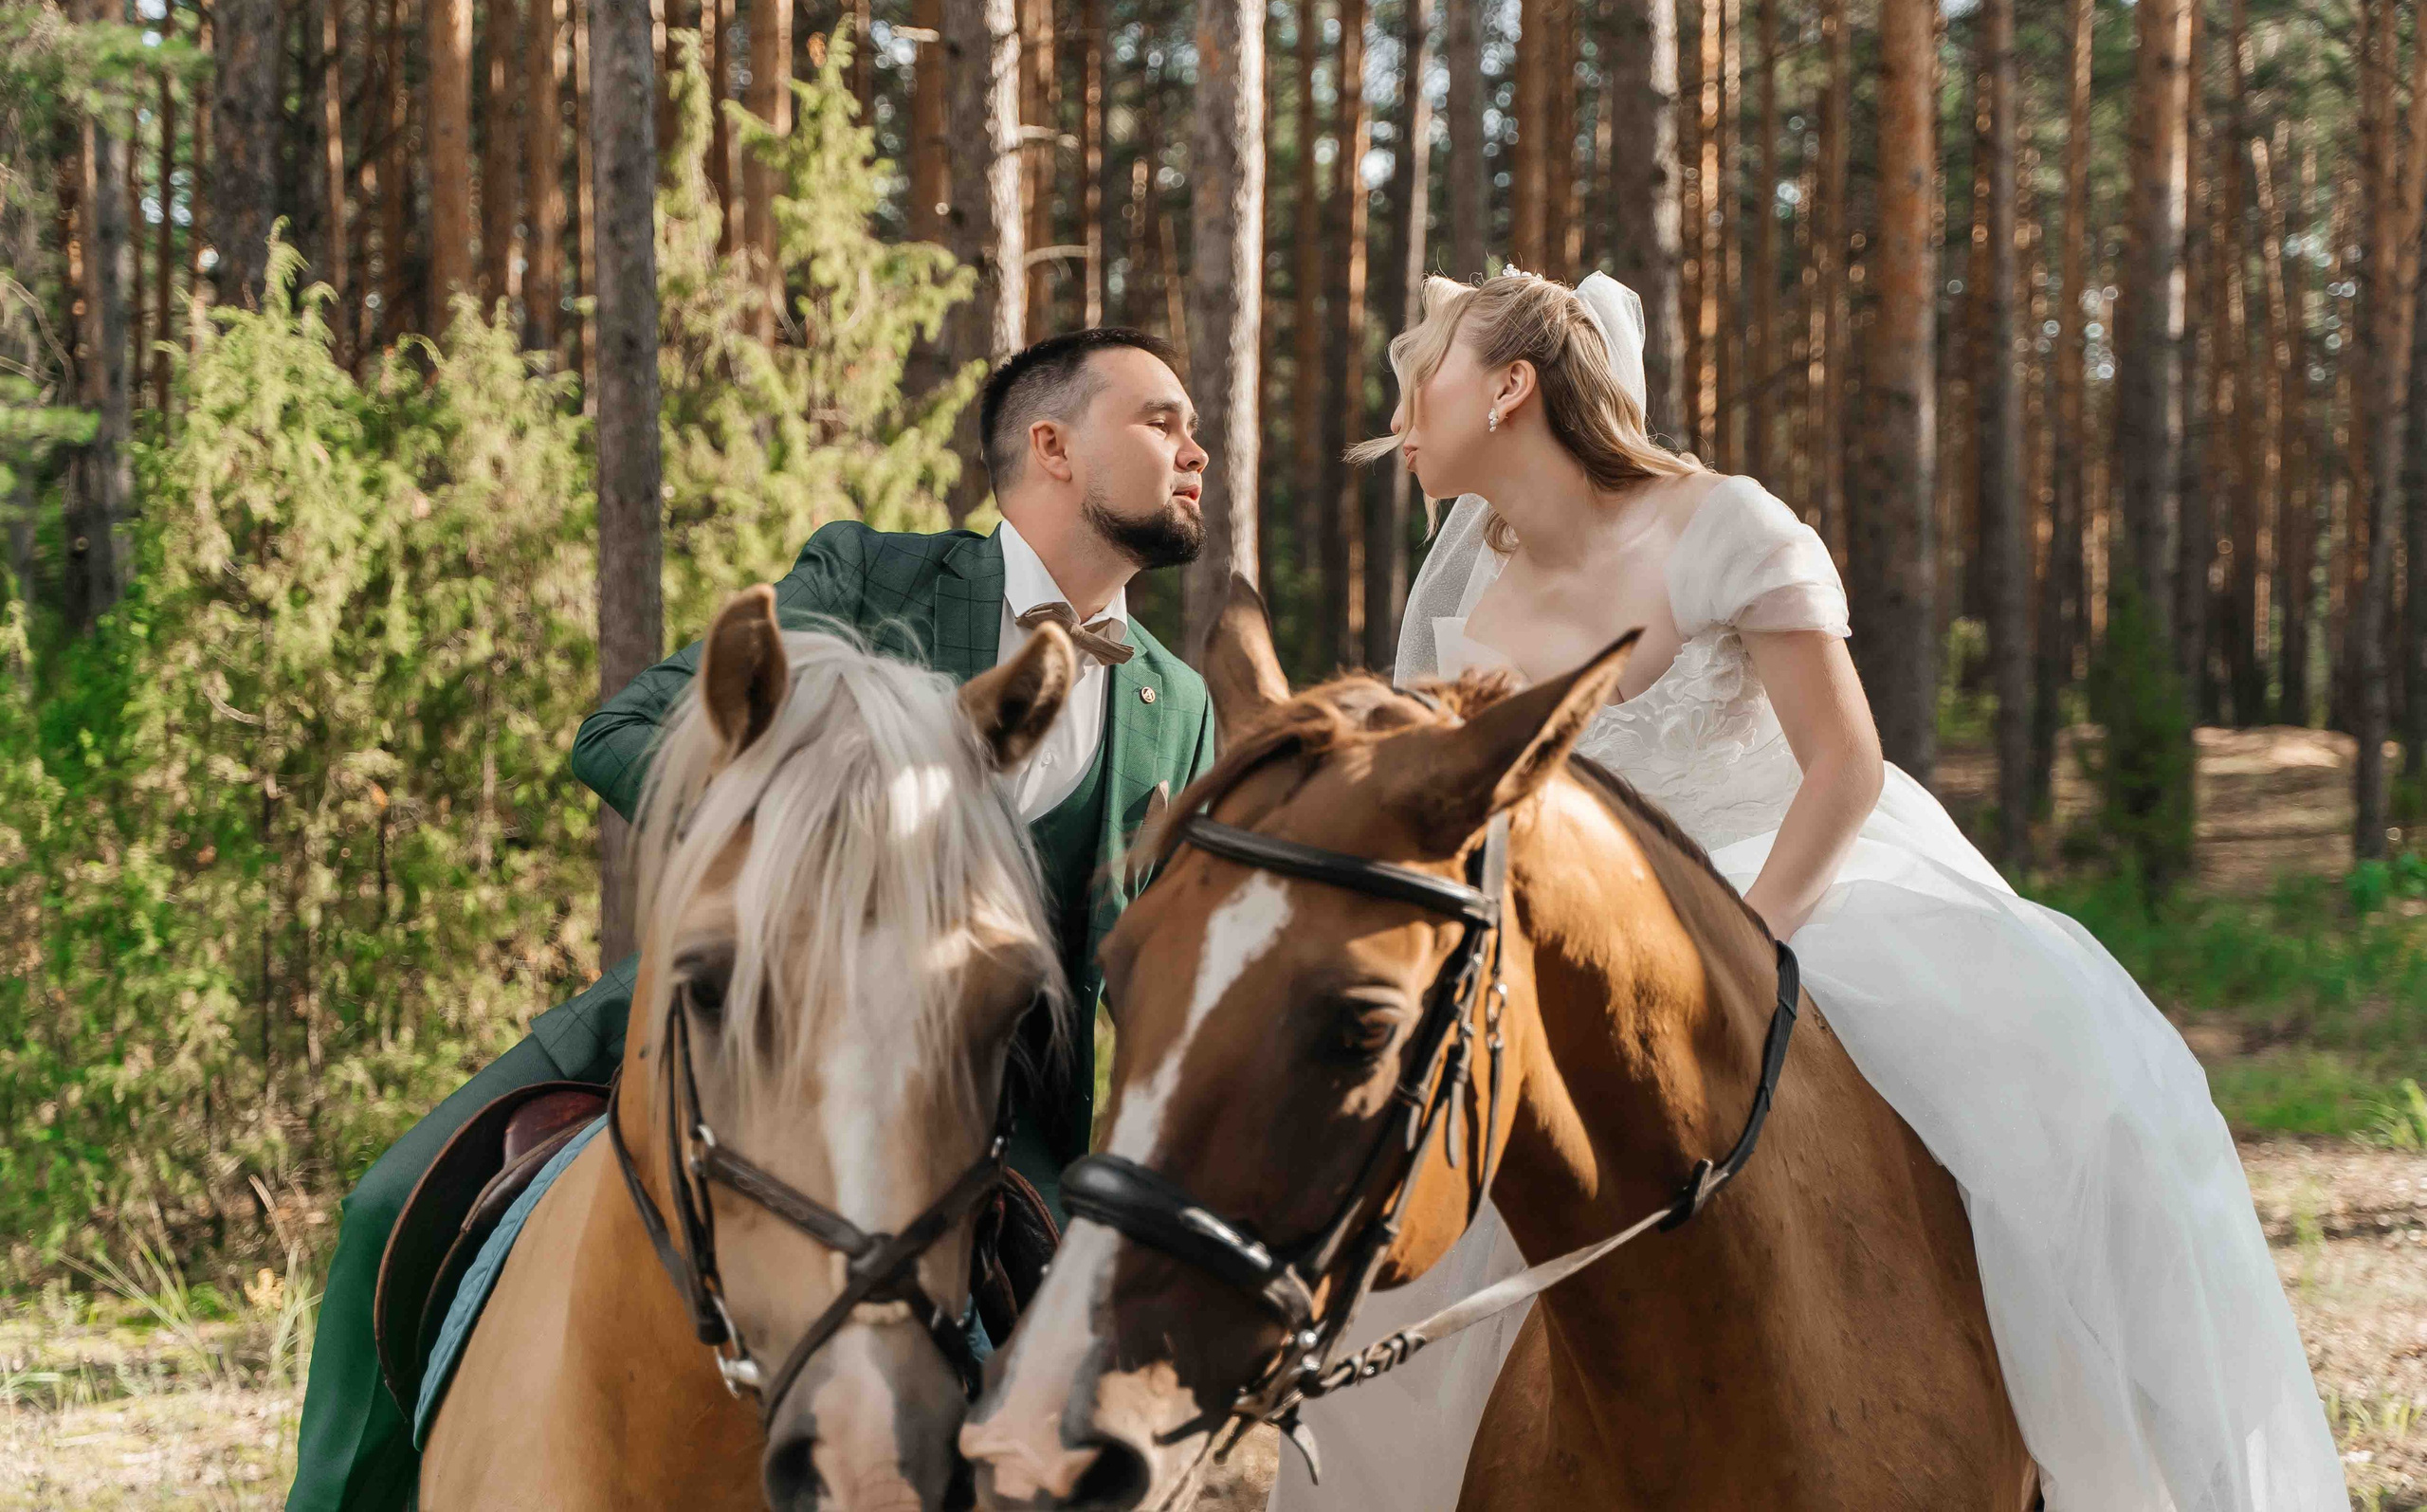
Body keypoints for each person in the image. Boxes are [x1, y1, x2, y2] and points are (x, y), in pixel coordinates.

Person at [1270, 269, 2345, 1512]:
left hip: (1797, 879)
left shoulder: (1723, 524)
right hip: (1580, 929)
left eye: (1423, 385)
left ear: (1511, 388)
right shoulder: (1471, 596)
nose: (1400, 421)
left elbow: (1846, 764)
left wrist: (1748, 951)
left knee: (2083, 1084)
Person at [286, 327, 1220, 1512]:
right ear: (1053, 445)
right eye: (1162, 420)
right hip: (735, 1014)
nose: (1197, 448)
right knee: (382, 1212)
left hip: (992, 1100)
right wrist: (803, 861)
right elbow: (621, 735)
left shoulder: (1174, 701)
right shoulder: (872, 578)